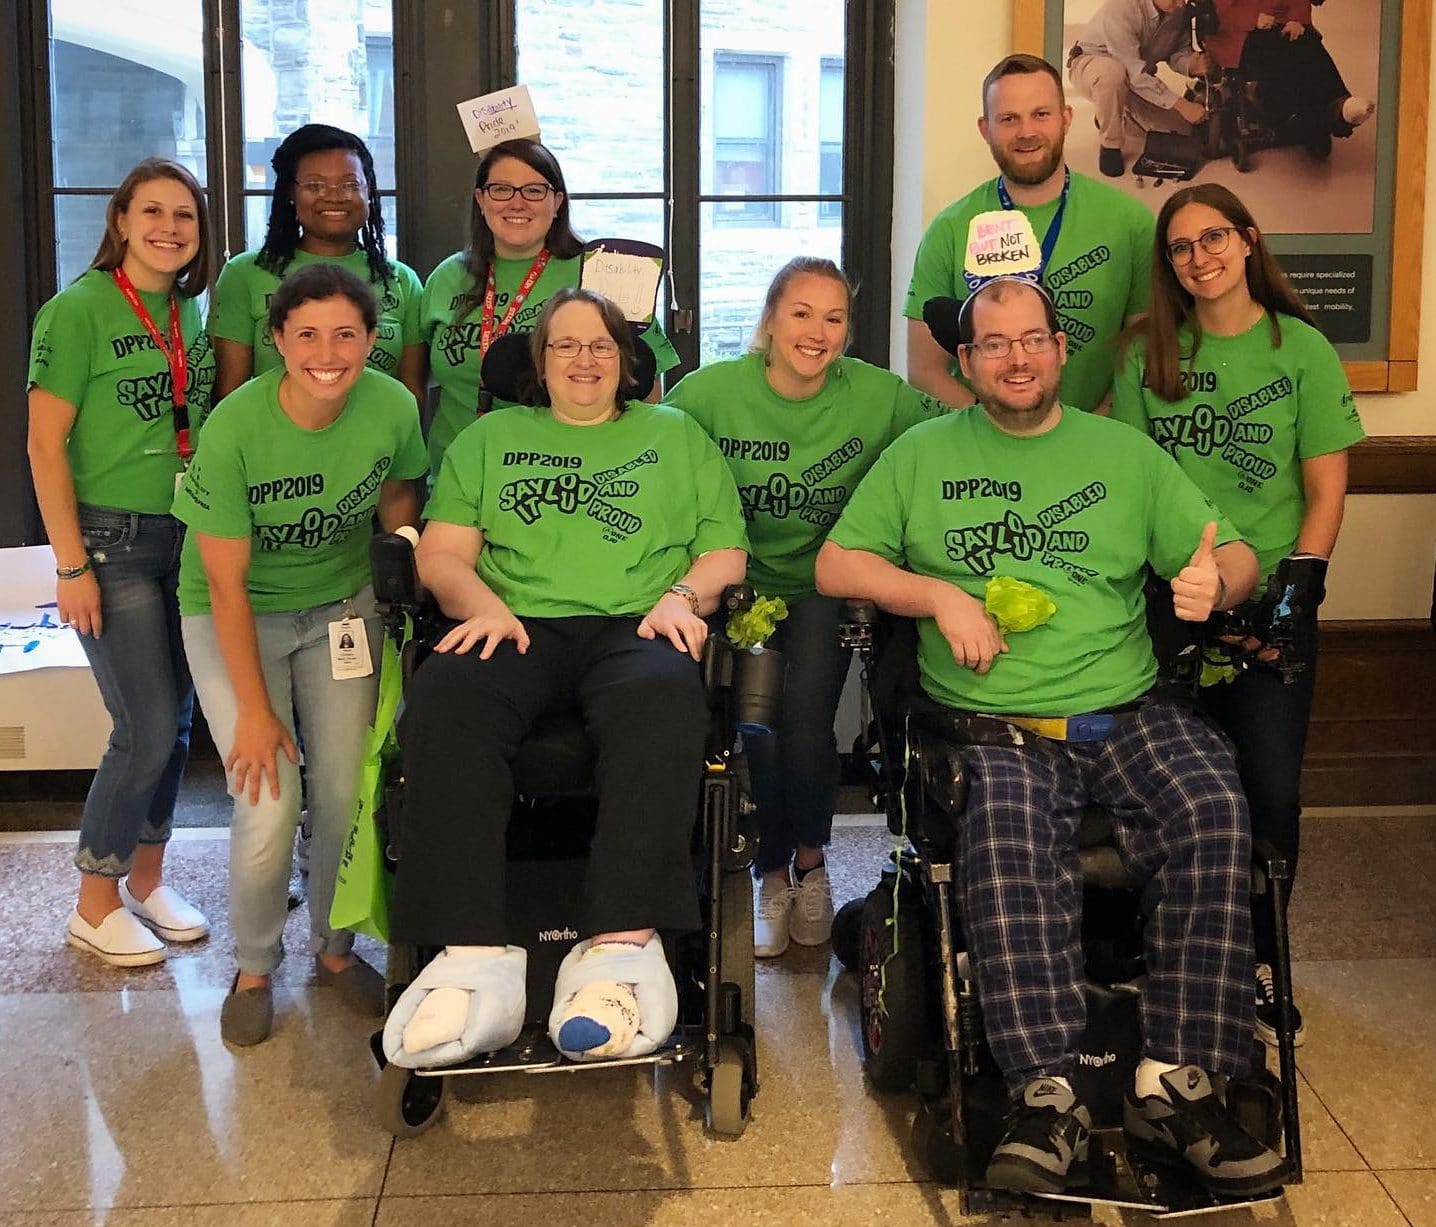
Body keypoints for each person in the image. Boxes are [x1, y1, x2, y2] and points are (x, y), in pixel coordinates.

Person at [815, 276, 1288, 1199]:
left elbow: (1228, 552)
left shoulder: (1124, 454)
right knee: (1009, 834)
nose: (1017, 358)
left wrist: (1216, 584)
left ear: (1062, 348)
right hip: (995, 723)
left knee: (1210, 802)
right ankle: (1048, 1091)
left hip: (1129, 707)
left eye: (1032, 339)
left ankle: (1174, 1080)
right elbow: (839, 562)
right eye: (995, 344)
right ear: (967, 362)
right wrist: (940, 595)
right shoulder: (921, 455)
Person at [382, 288, 747, 1070]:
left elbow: (724, 552)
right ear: (539, 365)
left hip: (635, 621)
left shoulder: (676, 435)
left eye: (601, 346)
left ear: (625, 361)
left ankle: (619, 952)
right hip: (515, 620)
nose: (584, 359)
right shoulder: (490, 438)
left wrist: (684, 597)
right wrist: (475, 603)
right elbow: (442, 552)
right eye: (565, 346)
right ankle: (471, 958)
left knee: (665, 696)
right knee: (445, 697)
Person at [1112, 184, 1363, 1046]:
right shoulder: (1148, 354)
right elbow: (1126, 486)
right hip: (1165, 606)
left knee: (1268, 791)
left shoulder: (1304, 351)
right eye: (1180, 247)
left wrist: (1299, 591)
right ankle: (1161, 955)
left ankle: (1258, 963)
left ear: (1248, 241)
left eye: (1212, 237)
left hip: (1271, 610)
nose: (1199, 257)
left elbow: (1327, 490)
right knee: (1165, 791)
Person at [173, 264, 426, 1046]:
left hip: (343, 609)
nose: (328, 351)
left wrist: (399, 554)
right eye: (307, 333)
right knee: (270, 794)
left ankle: (337, 948)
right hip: (235, 613)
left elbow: (398, 490)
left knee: (350, 788)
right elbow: (223, 583)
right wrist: (252, 710)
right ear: (276, 339)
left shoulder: (391, 404)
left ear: (372, 340)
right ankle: (254, 964)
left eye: (346, 333)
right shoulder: (237, 427)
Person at [666, 257, 945, 958]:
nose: (817, 332)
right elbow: (658, 461)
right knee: (753, 730)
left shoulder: (880, 397)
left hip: (823, 583)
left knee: (807, 725)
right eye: (801, 313)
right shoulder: (706, 395)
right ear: (768, 320)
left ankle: (813, 866)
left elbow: (945, 443)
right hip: (736, 581)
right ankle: (768, 870)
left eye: (834, 317)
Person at [28, 157, 216, 968]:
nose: (169, 228)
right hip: (112, 542)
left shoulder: (191, 314)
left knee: (173, 727)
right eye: (152, 212)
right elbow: (43, 443)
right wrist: (71, 566)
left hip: (184, 537)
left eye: (185, 215)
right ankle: (91, 902)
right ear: (120, 220)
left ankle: (145, 880)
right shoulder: (77, 311)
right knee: (139, 729)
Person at [905, 54, 1155, 414]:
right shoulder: (951, 229)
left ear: (1066, 119)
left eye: (1041, 114)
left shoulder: (1132, 223)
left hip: (1097, 447)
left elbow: (1142, 356)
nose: (1026, 132)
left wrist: (1084, 434)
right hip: (986, 451)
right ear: (985, 128)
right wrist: (1002, 431)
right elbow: (924, 369)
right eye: (1009, 119)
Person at [421, 138, 680, 470]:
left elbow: (646, 391)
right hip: (459, 475)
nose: (517, 203)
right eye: (501, 189)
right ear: (480, 199)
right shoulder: (446, 278)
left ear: (557, 201)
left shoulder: (603, 271)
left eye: (534, 190)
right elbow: (417, 380)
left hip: (571, 481)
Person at [209, 124, 425, 406]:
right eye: (314, 185)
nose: (334, 196)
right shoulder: (245, 274)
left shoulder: (401, 280)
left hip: (375, 446)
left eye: (350, 184)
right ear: (291, 194)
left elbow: (413, 398)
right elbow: (229, 395)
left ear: (369, 192)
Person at [1204, 0, 1374, 159]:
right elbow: (1217, 6)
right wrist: (1252, 18)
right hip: (1236, 32)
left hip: (1279, 24)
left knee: (1306, 41)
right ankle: (1317, 115)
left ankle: (1340, 105)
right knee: (1283, 51)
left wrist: (1296, 20)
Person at [1067, 0, 1211, 177]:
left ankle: (1112, 114)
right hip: (1094, 65)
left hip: (1136, 79)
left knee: (1182, 130)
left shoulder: (1179, 10)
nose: (1181, 3)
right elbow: (1132, 70)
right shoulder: (1123, 7)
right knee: (1112, 74)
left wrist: (1191, 64)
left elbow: (1177, 52)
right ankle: (1110, 145)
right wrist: (1181, 104)